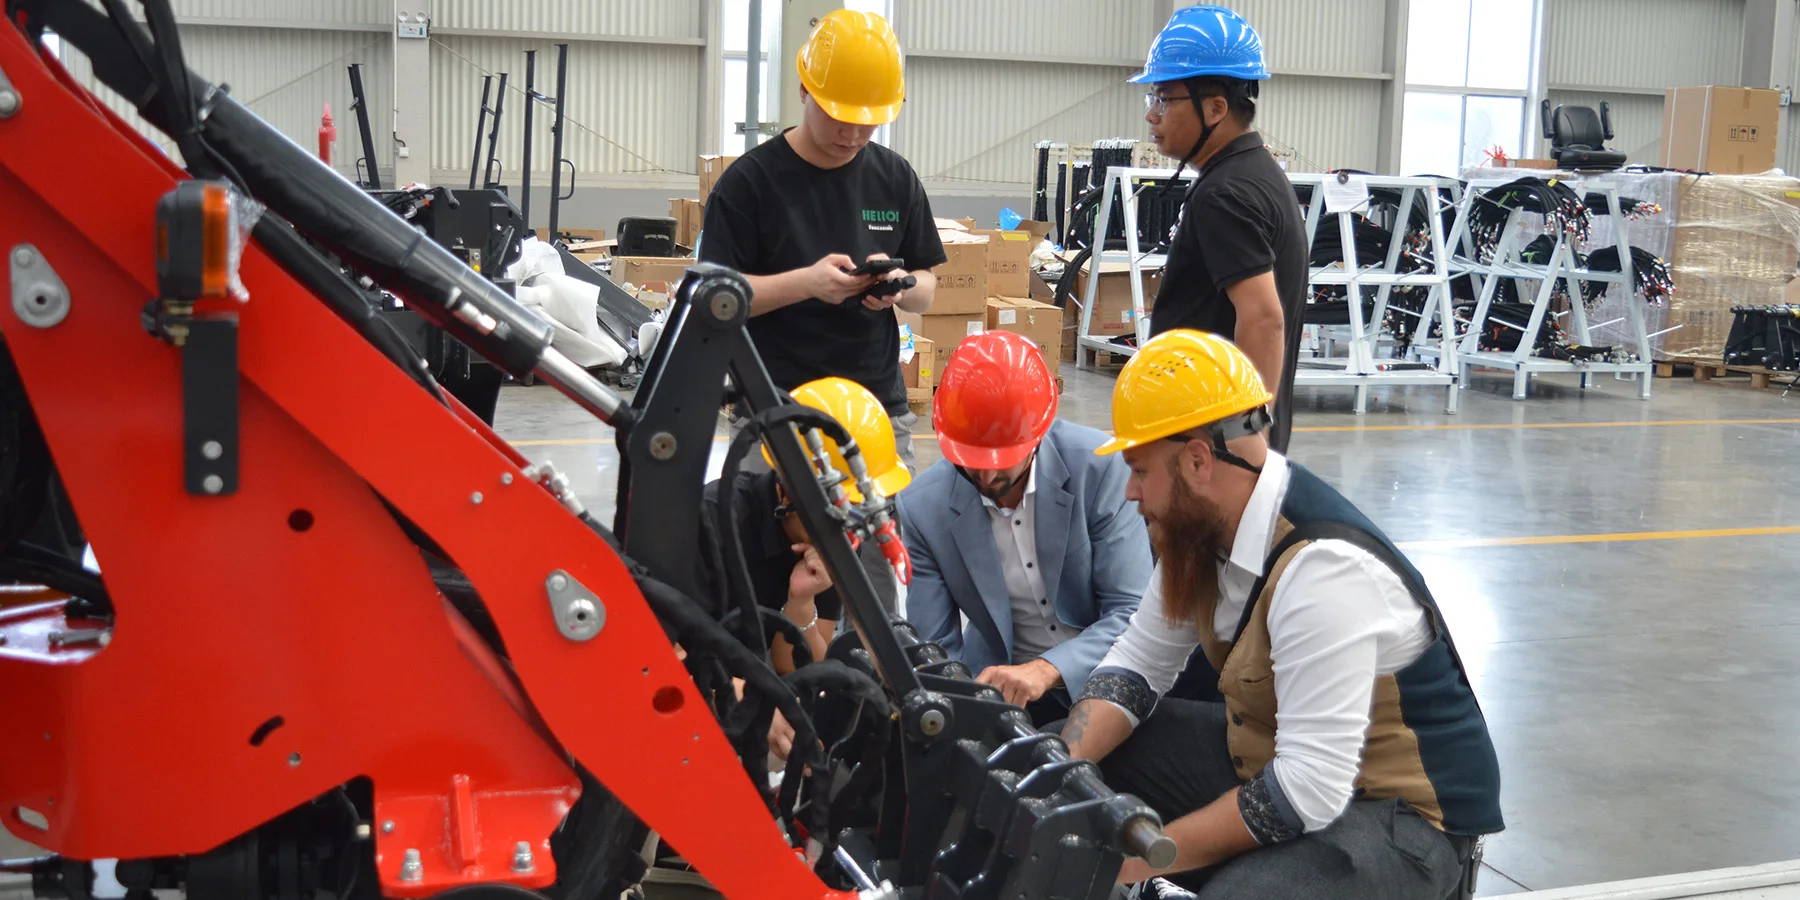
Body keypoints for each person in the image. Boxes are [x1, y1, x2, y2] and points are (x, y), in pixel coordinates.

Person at [1061, 330, 1502, 897]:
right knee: (1056, 774)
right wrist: (1055, 770)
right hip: (1283, 758)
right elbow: (1138, 666)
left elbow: (1307, 788)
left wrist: (1144, 861)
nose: (1129, 491)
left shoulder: (1323, 570)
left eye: (1140, 470)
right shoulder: (1200, 530)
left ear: (1197, 460)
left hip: (1405, 820)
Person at [700, 9, 945, 469]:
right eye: (837, 116)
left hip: (874, 409)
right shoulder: (749, 184)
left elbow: (926, 288)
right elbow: (715, 299)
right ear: (804, 90)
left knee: (883, 519)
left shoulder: (895, 178)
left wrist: (899, 288)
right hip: (775, 408)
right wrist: (808, 283)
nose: (852, 135)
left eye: (867, 122)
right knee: (762, 517)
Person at [897, 332, 1151, 726]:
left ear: (1039, 434)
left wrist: (1048, 669)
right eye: (970, 460)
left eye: (1002, 460)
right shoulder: (922, 509)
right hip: (1002, 690)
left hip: (1108, 671)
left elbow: (1132, 611)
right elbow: (936, 651)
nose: (986, 476)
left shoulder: (1098, 470)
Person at [1132, 6, 1308, 453]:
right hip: (1208, 448)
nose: (1152, 115)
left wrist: (1244, 442)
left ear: (1215, 108)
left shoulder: (1225, 194)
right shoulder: (1255, 175)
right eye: (1151, 98)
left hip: (1211, 455)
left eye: (1163, 99)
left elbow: (1264, 319)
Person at [699, 378, 909, 676]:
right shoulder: (714, 520)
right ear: (786, 492)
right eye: (841, 507)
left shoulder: (838, 534)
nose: (851, 526)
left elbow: (801, 669)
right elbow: (661, 659)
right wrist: (754, 694)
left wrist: (801, 601)